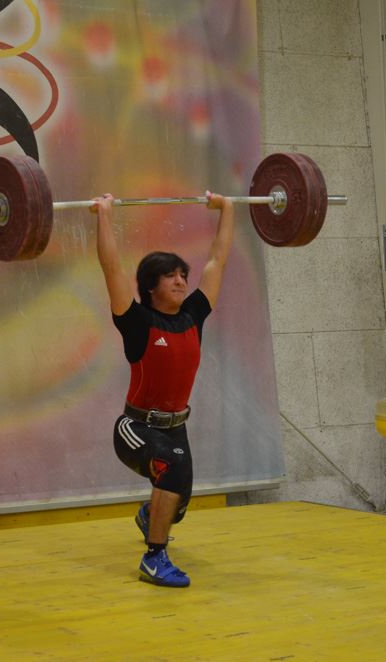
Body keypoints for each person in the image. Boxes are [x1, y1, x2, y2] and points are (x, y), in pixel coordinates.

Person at [92, 189, 235, 588]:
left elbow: (217, 260)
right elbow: (111, 268)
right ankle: (154, 559)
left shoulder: (193, 316)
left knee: (180, 502)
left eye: (182, 275)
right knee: (171, 470)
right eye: (171, 275)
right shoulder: (136, 321)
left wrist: (227, 208)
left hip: (175, 427)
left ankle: (148, 516)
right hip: (136, 428)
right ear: (150, 285)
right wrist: (104, 214)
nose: (181, 280)